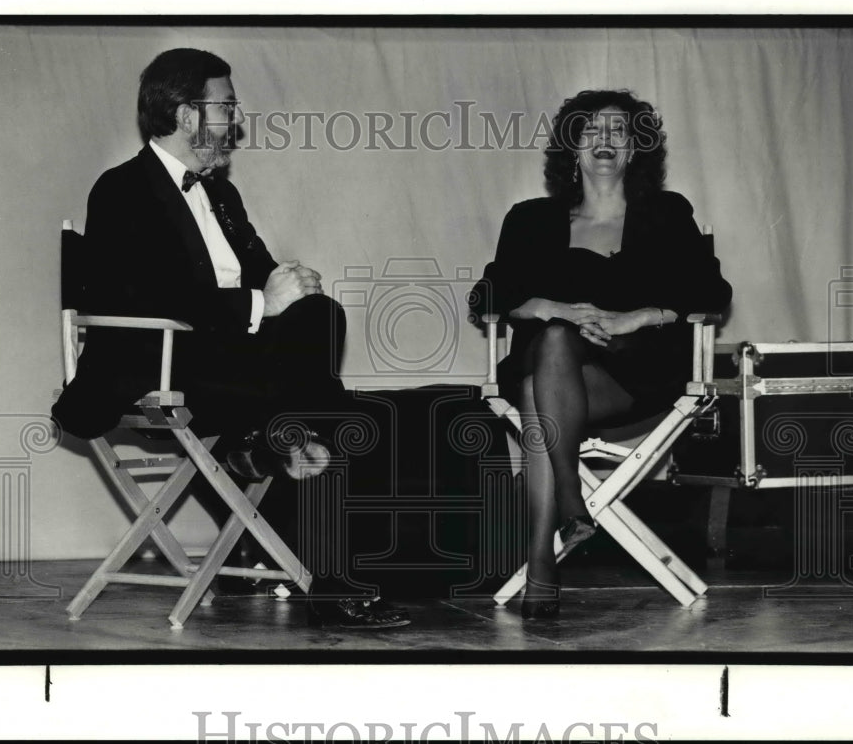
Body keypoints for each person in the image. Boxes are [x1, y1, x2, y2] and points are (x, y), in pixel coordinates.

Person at [52, 48, 409, 629]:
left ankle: (272, 444)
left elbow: (261, 273)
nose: (235, 120)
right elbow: (145, 299)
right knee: (335, 413)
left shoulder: (222, 193)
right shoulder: (120, 190)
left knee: (320, 316)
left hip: (234, 362)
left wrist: (289, 286)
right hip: (163, 361)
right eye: (227, 106)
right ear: (188, 114)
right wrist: (262, 303)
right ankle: (288, 486)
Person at [471, 89, 732, 619]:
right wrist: (549, 306)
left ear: (636, 149)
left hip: (639, 373)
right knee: (550, 347)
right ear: (571, 148)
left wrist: (636, 316)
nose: (606, 140)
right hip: (556, 374)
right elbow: (488, 297)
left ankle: (550, 545)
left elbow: (711, 292)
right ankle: (565, 514)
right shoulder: (530, 220)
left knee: (533, 392)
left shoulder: (665, 212)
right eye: (591, 130)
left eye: (619, 130)